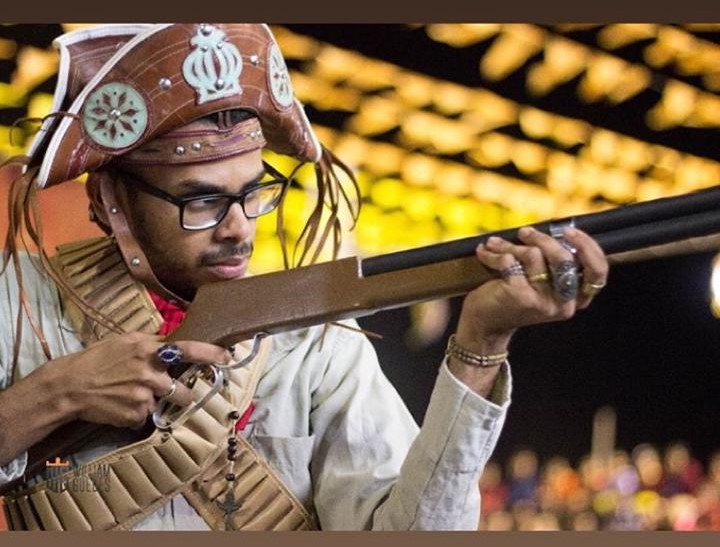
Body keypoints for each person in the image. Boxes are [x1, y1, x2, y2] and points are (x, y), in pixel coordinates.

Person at [0, 23, 609, 531]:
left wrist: (481, 343)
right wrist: (56, 394)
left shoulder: (313, 339)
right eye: (202, 200)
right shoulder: (17, 299)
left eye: (254, 192)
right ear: (110, 202)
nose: (239, 227)